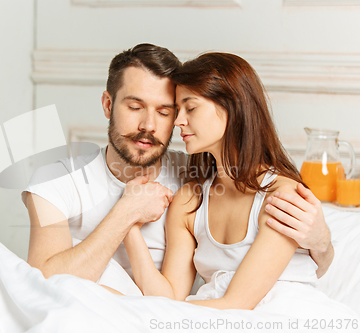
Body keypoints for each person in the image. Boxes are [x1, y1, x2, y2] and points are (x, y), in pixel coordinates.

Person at [22, 44, 333, 296]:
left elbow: (293, 267)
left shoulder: (197, 177)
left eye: (165, 111)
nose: (148, 125)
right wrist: (126, 211)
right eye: (134, 107)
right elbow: (42, 285)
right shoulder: (56, 180)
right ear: (107, 105)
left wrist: (321, 243)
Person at [123, 52, 345, 312]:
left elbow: (237, 305)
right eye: (177, 109)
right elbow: (168, 297)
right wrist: (129, 224)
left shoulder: (281, 196)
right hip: (214, 318)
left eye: (190, 108)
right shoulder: (188, 201)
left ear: (232, 107)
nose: (177, 121)